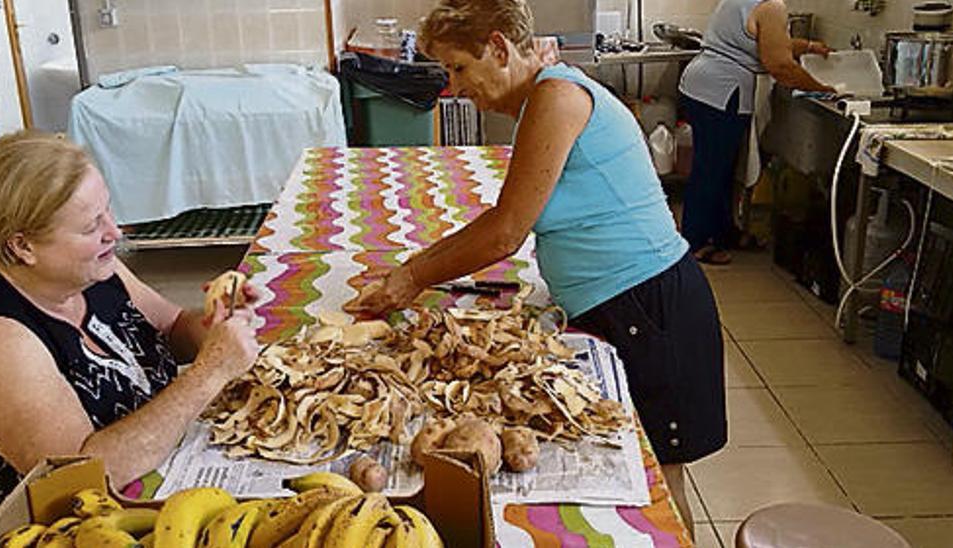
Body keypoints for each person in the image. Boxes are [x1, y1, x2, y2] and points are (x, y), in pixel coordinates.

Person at [346, 0, 724, 536]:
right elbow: (509, 216)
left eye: (458, 67)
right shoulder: (543, 95)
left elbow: (506, 229)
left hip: (652, 308)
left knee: (657, 482)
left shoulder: (556, 98)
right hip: (622, 305)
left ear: (499, 48)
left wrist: (411, 278)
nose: (453, 88)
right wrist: (414, 268)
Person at [0, 131, 260, 547]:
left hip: (144, 485)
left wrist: (216, 323)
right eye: (92, 225)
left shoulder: (88, 273)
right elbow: (85, 474)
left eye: (107, 210)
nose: (114, 231)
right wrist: (210, 372)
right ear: (22, 246)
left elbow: (171, 328)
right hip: (33, 532)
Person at [678, 0, 834, 265]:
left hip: (702, 85)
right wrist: (824, 88)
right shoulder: (771, 6)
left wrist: (808, 47)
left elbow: (767, 42)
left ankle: (723, 231)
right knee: (712, 170)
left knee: (722, 169)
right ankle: (696, 241)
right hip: (720, 92)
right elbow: (780, 65)